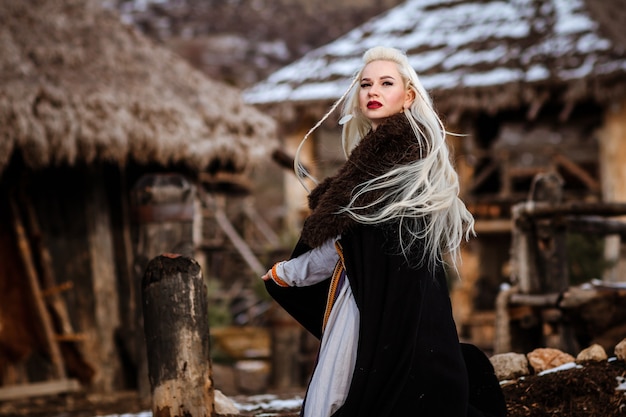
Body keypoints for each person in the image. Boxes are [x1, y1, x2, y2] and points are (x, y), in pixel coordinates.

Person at [262, 46, 506, 417]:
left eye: (386, 83)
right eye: (365, 84)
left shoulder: (406, 156)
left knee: (351, 394)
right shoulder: (372, 160)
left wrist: (292, 273)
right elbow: (354, 234)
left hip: (390, 296)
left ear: (408, 96)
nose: (373, 91)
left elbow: (357, 235)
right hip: (367, 292)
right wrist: (294, 271)